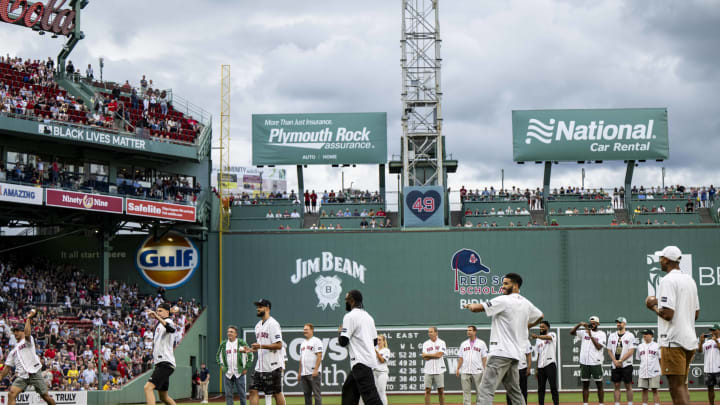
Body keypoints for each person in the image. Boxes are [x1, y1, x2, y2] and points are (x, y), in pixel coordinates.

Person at [463, 273, 544, 405]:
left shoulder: (504, 300)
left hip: (500, 353)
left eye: (506, 283)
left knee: (485, 390)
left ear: (516, 285)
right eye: (503, 283)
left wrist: (469, 305)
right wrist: (528, 325)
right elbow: (540, 315)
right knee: (515, 392)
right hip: (515, 355)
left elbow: (477, 308)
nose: (503, 286)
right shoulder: (526, 303)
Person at [645, 245, 699, 405]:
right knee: (682, 386)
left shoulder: (667, 280)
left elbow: (668, 314)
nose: (660, 261)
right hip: (689, 340)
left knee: (676, 388)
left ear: (667, 260)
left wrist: (652, 306)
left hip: (673, 341)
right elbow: (696, 314)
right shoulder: (690, 280)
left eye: (661, 258)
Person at [0, 309, 57, 405]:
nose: (15, 333)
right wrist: (1, 376)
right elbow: (7, 367)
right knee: (11, 394)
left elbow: (27, 334)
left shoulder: (28, 340)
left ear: (23, 330)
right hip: (22, 375)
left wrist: (28, 319)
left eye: (17, 330)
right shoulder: (13, 351)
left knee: (46, 397)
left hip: (35, 372)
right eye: (14, 331)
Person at [339, 290, 382, 405]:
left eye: (347, 300)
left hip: (360, 362)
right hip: (366, 361)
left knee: (371, 399)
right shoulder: (368, 317)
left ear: (352, 300)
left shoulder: (350, 316)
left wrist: (340, 332)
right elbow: (374, 341)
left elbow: (343, 341)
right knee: (348, 393)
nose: (346, 303)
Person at [248, 299, 286, 405]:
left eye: (260, 306)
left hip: (273, 366)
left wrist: (260, 346)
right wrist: (251, 350)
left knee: (277, 393)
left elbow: (279, 345)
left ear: (267, 308)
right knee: (252, 390)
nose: (258, 309)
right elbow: (260, 347)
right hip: (259, 366)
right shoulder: (257, 326)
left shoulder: (273, 324)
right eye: (257, 306)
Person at [144, 302, 178, 405]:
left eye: (160, 311)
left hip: (165, 363)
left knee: (148, 388)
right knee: (163, 397)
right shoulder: (159, 325)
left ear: (167, 312)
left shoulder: (168, 321)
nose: (158, 313)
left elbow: (171, 329)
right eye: (157, 310)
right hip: (161, 363)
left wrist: (157, 317)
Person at [569, 316, 607, 405]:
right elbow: (572, 332)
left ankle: (601, 403)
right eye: (591, 323)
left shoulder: (601, 334)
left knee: (599, 385)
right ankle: (585, 403)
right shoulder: (584, 332)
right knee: (585, 385)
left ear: (598, 324)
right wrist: (579, 324)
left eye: (594, 323)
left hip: (596, 362)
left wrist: (590, 335)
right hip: (584, 362)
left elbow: (599, 347)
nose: (592, 324)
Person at [217, 325, 253, 405]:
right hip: (228, 373)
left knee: (242, 394)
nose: (229, 333)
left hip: (239, 373)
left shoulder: (241, 342)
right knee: (228, 395)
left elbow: (250, 355)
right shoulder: (223, 344)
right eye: (228, 332)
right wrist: (222, 366)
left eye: (231, 332)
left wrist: (246, 367)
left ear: (236, 334)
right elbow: (218, 356)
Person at [607, 317, 635, 405]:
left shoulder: (630, 335)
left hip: (626, 364)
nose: (618, 324)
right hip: (615, 364)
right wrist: (615, 361)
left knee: (628, 385)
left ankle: (630, 403)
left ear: (624, 324)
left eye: (620, 322)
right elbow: (609, 350)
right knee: (616, 385)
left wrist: (621, 360)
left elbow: (631, 351)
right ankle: (617, 403)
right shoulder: (612, 335)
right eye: (617, 322)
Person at [456, 325, 487, 405]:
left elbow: (484, 358)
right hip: (465, 370)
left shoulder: (481, 343)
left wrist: (485, 369)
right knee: (466, 392)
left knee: (479, 392)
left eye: (470, 330)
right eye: (467, 330)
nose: (468, 332)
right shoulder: (464, 344)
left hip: (478, 371)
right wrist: (458, 368)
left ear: (475, 332)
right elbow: (461, 358)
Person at [532, 321, 559, 405]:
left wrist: (537, 336)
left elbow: (548, 338)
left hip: (550, 364)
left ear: (547, 327)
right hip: (541, 366)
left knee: (553, 387)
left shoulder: (552, 334)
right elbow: (539, 354)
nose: (541, 328)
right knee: (540, 389)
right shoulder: (538, 341)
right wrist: (536, 368)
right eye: (540, 327)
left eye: (543, 327)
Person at [299, 323, 323, 405]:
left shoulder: (316, 341)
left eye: (306, 329)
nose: (304, 331)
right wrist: (299, 373)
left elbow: (319, 356)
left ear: (312, 330)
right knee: (307, 395)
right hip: (304, 373)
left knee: (316, 394)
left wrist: (316, 369)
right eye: (304, 329)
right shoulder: (303, 343)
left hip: (313, 373)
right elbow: (301, 359)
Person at [421, 327, 446, 405]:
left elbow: (439, 355)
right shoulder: (425, 343)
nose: (429, 333)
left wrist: (428, 355)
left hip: (439, 369)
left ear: (436, 333)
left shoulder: (442, 342)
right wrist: (433, 355)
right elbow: (425, 358)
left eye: (431, 332)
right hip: (428, 370)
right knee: (427, 390)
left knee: (441, 390)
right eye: (429, 332)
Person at [636, 329, 661, 405]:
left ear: (651, 335)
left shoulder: (657, 346)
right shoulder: (640, 346)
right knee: (644, 390)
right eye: (643, 334)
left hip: (654, 371)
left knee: (654, 390)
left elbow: (661, 359)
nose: (644, 335)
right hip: (643, 371)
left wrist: (660, 369)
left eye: (646, 334)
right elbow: (638, 358)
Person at [699, 324, 720, 405]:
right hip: (708, 369)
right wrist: (701, 342)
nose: (712, 332)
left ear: (719, 330)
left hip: (718, 369)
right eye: (711, 330)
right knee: (710, 389)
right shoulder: (707, 342)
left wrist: (716, 341)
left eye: (714, 330)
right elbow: (700, 351)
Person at [373, 334, 391, 405]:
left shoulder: (386, 350)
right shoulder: (374, 348)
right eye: (377, 340)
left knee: (382, 392)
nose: (378, 341)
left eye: (380, 340)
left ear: (384, 341)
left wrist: (376, 352)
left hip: (382, 373)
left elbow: (382, 360)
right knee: (375, 392)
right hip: (374, 372)